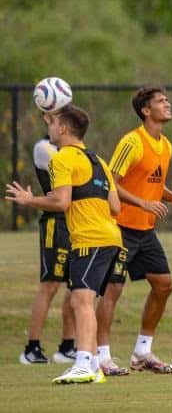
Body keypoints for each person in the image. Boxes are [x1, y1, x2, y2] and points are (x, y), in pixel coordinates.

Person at [6, 105, 122, 384]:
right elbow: (116, 207)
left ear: (63, 128)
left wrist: (29, 200)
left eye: (52, 123)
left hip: (89, 238)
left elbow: (61, 202)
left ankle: (83, 364)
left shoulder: (62, 158)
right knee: (84, 300)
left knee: (81, 301)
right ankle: (92, 365)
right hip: (111, 237)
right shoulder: (98, 161)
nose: (48, 128)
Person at [96, 88, 172, 376]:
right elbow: (110, 182)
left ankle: (142, 352)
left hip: (145, 230)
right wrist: (142, 203)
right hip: (120, 228)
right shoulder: (132, 142)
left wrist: (171, 197)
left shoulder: (167, 145)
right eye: (161, 101)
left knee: (164, 285)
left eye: (167, 100)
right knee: (113, 289)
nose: (167, 104)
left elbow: (152, 182)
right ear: (146, 111)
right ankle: (101, 357)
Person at [19, 129, 76, 365]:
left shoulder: (72, 150)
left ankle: (67, 346)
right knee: (50, 284)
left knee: (76, 286)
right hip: (55, 222)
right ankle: (31, 348)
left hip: (76, 222)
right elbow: (72, 169)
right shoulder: (44, 148)